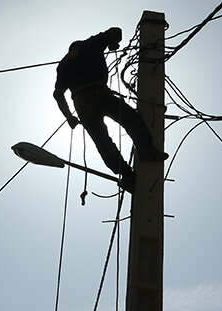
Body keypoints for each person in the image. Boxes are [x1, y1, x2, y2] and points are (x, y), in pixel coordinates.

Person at [53, 26, 167, 191]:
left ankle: (127, 176)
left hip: (82, 104)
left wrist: (69, 117)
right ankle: (146, 150)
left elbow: (57, 94)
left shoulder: (63, 64)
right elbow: (115, 30)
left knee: (103, 143)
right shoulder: (90, 44)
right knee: (130, 119)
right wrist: (112, 42)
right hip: (100, 93)